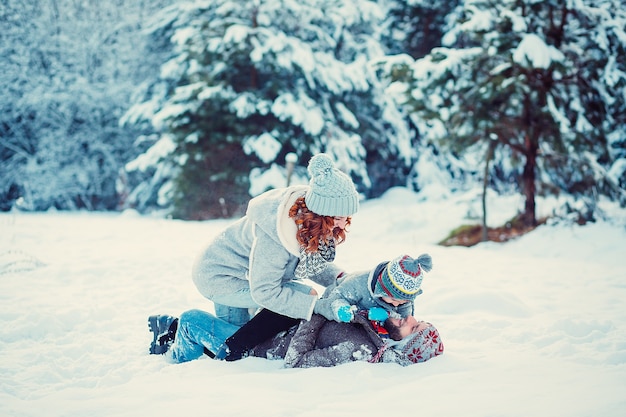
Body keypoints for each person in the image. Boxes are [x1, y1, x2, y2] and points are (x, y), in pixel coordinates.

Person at [191, 153, 359, 327]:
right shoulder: (276, 236)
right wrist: (315, 306)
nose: (341, 224)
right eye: (338, 217)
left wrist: (339, 277)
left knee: (234, 339)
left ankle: (176, 330)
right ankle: (190, 324)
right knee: (305, 296)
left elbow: (308, 261)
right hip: (219, 276)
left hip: (242, 272)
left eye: (346, 218)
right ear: (321, 213)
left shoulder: (306, 222)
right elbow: (265, 291)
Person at [147, 307, 444, 367]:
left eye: (414, 327)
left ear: (407, 345)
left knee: (191, 319)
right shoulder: (377, 334)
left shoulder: (362, 351)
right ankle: (173, 332)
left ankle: (172, 358)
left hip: (261, 345)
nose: (411, 319)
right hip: (274, 323)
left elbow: (297, 361)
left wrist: (315, 314)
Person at [313, 253, 433, 323]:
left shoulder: (404, 301)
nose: (396, 305)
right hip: (334, 304)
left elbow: (404, 322)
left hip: (362, 320)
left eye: (403, 301)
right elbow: (336, 297)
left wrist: (389, 316)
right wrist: (341, 309)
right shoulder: (358, 283)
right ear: (381, 289)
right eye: (393, 300)